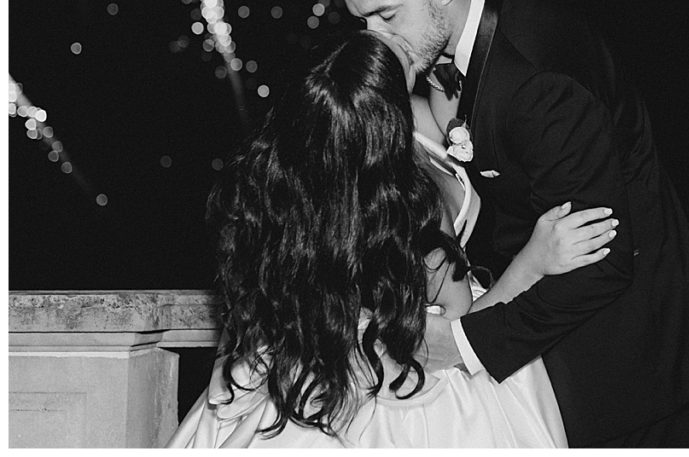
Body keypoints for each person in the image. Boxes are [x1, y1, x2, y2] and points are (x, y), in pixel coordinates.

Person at [340, 0, 689, 447]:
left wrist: (462, 345)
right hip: (561, 342)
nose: (377, 40)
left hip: (640, 356)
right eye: (364, 24)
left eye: (387, 16)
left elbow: (601, 259)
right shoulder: (449, 45)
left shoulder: (539, 76)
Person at [166, 30, 617, 448]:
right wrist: (532, 262)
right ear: (390, 120)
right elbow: (462, 334)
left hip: (302, 368)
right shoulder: (414, 207)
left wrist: (228, 364)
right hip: (415, 392)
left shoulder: (277, 187)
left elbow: (247, 303)